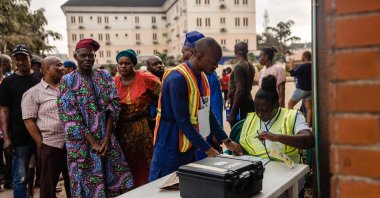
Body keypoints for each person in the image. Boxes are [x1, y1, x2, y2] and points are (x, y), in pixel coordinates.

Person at [149, 37, 243, 182]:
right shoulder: (177, 78)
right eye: (213, 62)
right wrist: (209, 150)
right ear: (198, 55)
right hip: (170, 144)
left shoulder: (202, 77)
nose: (216, 66)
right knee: (165, 184)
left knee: (186, 184)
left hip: (188, 143)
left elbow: (207, 113)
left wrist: (227, 141)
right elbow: (182, 121)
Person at [57, 38, 134, 197]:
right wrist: (93, 142)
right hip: (82, 144)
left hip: (106, 139)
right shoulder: (68, 80)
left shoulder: (104, 76)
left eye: (90, 56)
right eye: (83, 55)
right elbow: (69, 115)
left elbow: (113, 104)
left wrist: (106, 138)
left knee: (117, 181)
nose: (87, 59)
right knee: (87, 184)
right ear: (75, 56)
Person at [21, 56, 71, 198]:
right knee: (48, 187)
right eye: (58, 65)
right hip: (50, 145)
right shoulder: (33, 93)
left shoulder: (68, 88)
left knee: (73, 184)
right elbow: (29, 121)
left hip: (73, 144)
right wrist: (41, 144)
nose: (63, 68)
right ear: (48, 69)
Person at [238, 75, 314, 163]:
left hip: (289, 172)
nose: (260, 114)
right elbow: (244, 148)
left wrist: (276, 137)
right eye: (257, 109)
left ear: (276, 106)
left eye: (264, 110)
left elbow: (309, 140)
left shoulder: (293, 116)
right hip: (260, 170)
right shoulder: (251, 120)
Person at [114, 49, 161, 188]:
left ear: (133, 64)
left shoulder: (145, 78)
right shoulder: (113, 82)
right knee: (126, 163)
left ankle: (147, 190)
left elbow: (163, 97)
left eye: (127, 63)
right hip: (121, 130)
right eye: (120, 63)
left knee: (145, 163)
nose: (123, 66)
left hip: (142, 128)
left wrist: (156, 117)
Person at [0, 45, 43, 198]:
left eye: (23, 58)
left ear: (30, 58)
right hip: (19, 137)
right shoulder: (8, 82)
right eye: (17, 59)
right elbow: (4, 111)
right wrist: (6, 138)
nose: (20, 62)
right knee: (20, 178)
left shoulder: (40, 78)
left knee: (45, 175)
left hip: (43, 134)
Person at [181, 31, 224, 160]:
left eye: (184, 52)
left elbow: (214, 104)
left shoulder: (209, 75)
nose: (182, 56)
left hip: (205, 132)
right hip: (190, 135)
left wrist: (218, 133)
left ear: (196, 53)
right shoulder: (183, 75)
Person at [227, 42, 255, 127]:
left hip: (240, 105)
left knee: (238, 135)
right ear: (247, 51)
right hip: (249, 103)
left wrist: (232, 112)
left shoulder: (239, 67)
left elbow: (240, 91)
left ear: (235, 51)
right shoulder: (251, 66)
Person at [288, 51, 312, 126]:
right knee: (309, 108)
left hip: (301, 89)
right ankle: (307, 126)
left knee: (290, 105)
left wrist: (291, 63)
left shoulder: (303, 66)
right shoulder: (312, 66)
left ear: (304, 57)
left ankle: (293, 123)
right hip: (310, 90)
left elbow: (292, 74)